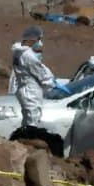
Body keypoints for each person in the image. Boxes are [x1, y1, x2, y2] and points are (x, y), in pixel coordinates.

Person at [10, 26, 63, 156]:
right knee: (32, 116)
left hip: (25, 88)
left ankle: (27, 137)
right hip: (30, 90)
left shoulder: (18, 52)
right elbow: (40, 72)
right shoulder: (28, 56)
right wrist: (52, 83)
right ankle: (28, 141)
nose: (40, 43)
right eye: (39, 39)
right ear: (32, 39)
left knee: (29, 117)